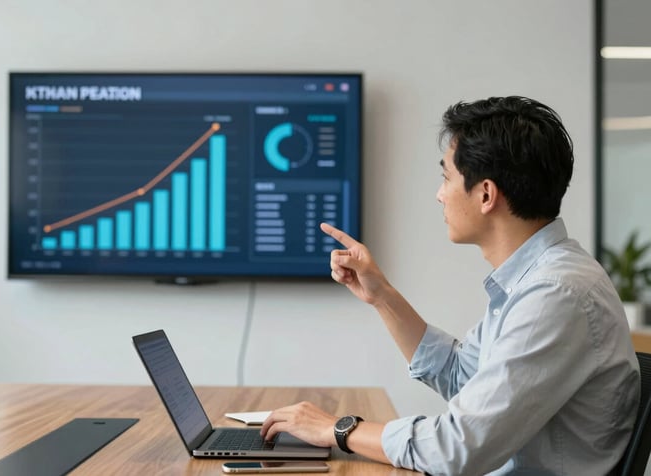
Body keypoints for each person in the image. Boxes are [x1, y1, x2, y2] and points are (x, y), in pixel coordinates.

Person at [260, 96, 640, 475]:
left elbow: (457, 448)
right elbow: (462, 375)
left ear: (486, 195)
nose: (439, 194)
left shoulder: (556, 294)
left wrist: (338, 429)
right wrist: (383, 298)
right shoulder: (537, 281)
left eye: (446, 177)